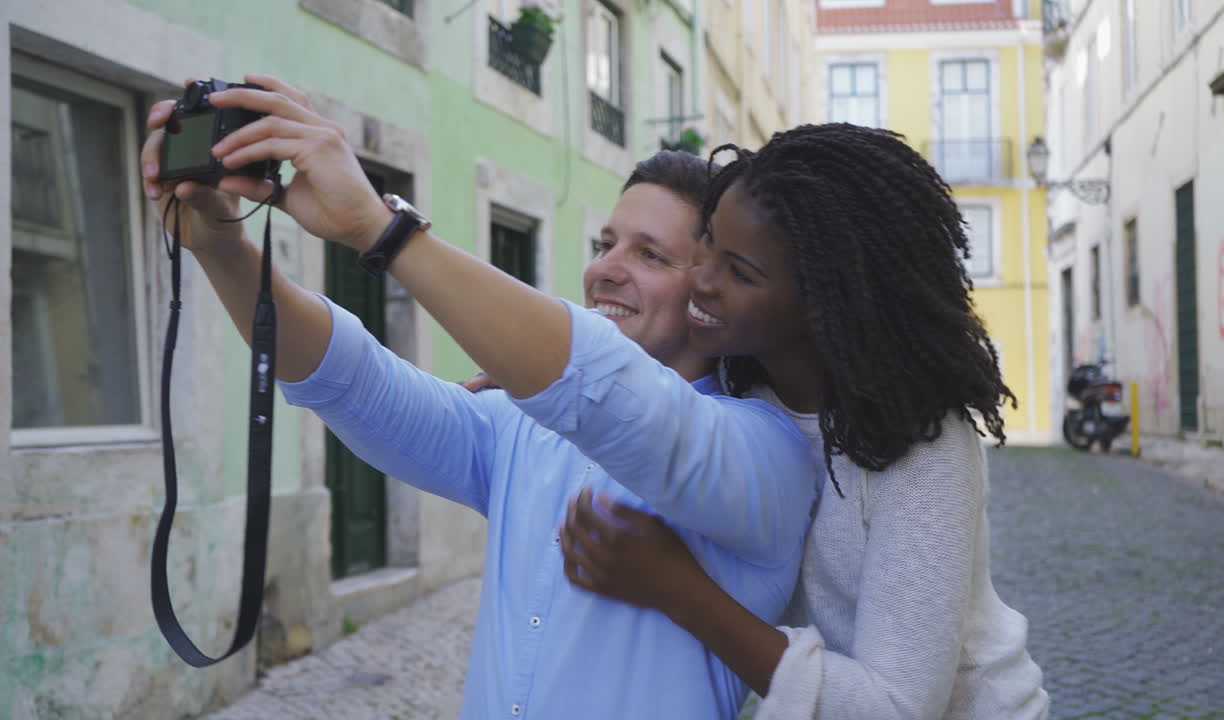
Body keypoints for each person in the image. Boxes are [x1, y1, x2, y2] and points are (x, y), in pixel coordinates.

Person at [140, 76, 818, 719]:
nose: (605, 270)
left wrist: (381, 229)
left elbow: (610, 389)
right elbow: (355, 381)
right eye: (607, 242)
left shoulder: (767, 453)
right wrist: (221, 245)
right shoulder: (524, 428)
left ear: (709, 294)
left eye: (650, 256)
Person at [557, 125, 1051, 719]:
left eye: (740, 271)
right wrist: (538, 386)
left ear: (824, 300)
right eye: (707, 244)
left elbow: (894, 707)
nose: (702, 279)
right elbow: (646, 395)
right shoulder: (742, 386)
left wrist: (675, 588)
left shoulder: (922, 442)